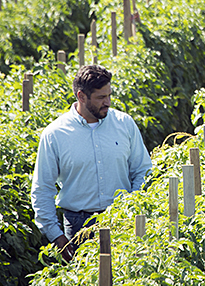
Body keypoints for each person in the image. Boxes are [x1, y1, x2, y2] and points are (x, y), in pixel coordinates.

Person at [31, 65, 152, 262]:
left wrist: (132, 207)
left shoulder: (124, 124)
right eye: (100, 98)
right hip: (78, 226)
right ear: (81, 96)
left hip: (121, 220)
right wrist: (56, 235)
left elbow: (142, 170)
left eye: (109, 95)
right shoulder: (55, 134)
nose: (108, 102)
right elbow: (42, 188)